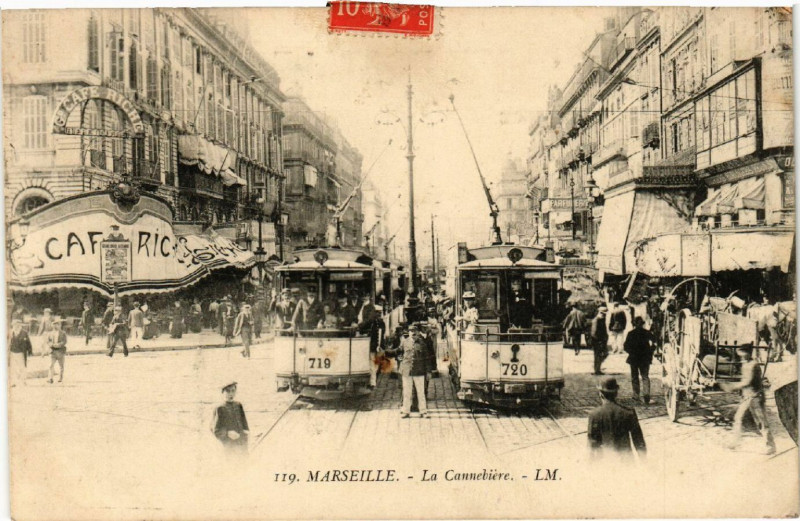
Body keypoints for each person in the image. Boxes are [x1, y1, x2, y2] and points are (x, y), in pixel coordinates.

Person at [720, 346, 776, 455]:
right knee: (738, 418)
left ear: (748, 353)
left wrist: (732, 386)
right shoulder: (745, 364)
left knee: (761, 422)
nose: (741, 357)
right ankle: (734, 442)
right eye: (740, 355)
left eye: (742, 354)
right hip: (747, 397)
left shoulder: (753, 365)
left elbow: (747, 382)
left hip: (755, 397)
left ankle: (770, 446)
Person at [587, 377, 646, 458]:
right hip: (627, 461)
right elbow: (639, 441)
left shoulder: (594, 414)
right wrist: (644, 463)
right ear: (616, 393)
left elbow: (592, 444)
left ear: (601, 394)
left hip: (606, 461)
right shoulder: (629, 412)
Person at [399, 324, 429, 418]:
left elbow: (427, 358)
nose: (413, 333)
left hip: (419, 371)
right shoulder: (404, 342)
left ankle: (423, 411)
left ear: (418, 333)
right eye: (411, 331)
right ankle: (406, 411)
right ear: (409, 332)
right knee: (406, 392)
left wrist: (428, 372)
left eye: (414, 331)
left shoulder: (422, 344)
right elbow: (399, 353)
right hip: (407, 371)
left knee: (420, 392)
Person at [211, 381, 249, 456]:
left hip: (242, 445)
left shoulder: (238, 405)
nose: (231, 394)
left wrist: (245, 435)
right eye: (228, 391)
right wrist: (227, 433)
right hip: (229, 446)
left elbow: (245, 425)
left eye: (233, 391)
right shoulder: (220, 408)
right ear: (223, 392)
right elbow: (215, 430)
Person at [623, 316, 655, 404]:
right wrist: (650, 351)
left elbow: (625, 346)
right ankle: (646, 395)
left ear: (634, 324)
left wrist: (631, 352)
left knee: (634, 377)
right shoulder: (646, 333)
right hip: (645, 358)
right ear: (642, 324)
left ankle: (636, 395)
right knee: (645, 377)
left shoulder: (631, 333)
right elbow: (655, 342)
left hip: (634, 358)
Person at [358, 295, 386, 388]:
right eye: (377, 313)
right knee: (372, 363)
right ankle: (372, 382)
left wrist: (380, 345)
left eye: (379, 313)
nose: (378, 315)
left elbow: (382, 334)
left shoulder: (381, 323)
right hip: (373, 345)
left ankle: (373, 380)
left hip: (378, 345)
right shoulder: (374, 323)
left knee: (376, 364)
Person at [8, 319, 33, 386]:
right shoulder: (10, 332)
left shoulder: (24, 333)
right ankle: (14, 382)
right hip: (12, 353)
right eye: (15, 325)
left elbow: (28, 343)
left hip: (21, 353)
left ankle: (23, 381)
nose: (17, 326)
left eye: (18, 325)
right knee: (13, 368)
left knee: (22, 367)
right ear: (13, 325)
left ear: (20, 325)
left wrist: (30, 351)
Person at [45, 318, 68, 383]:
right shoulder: (50, 333)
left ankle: (60, 377)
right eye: (54, 325)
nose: (55, 326)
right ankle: (50, 378)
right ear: (52, 325)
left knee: (61, 365)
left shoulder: (63, 333)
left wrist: (59, 344)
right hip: (52, 351)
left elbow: (64, 341)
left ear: (59, 325)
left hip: (60, 351)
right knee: (51, 365)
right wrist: (51, 344)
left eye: (57, 324)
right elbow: (48, 341)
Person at [590, 307, 609, 375]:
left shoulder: (601, 319)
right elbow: (593, 333)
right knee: (598, 355)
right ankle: (597, 369)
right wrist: (599, 341)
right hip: (598, 341)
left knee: (604, 354)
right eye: (604, 314)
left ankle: (597, 367)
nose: (605, 316)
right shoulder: (596, 320)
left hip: (602, 341)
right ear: (600, 313)